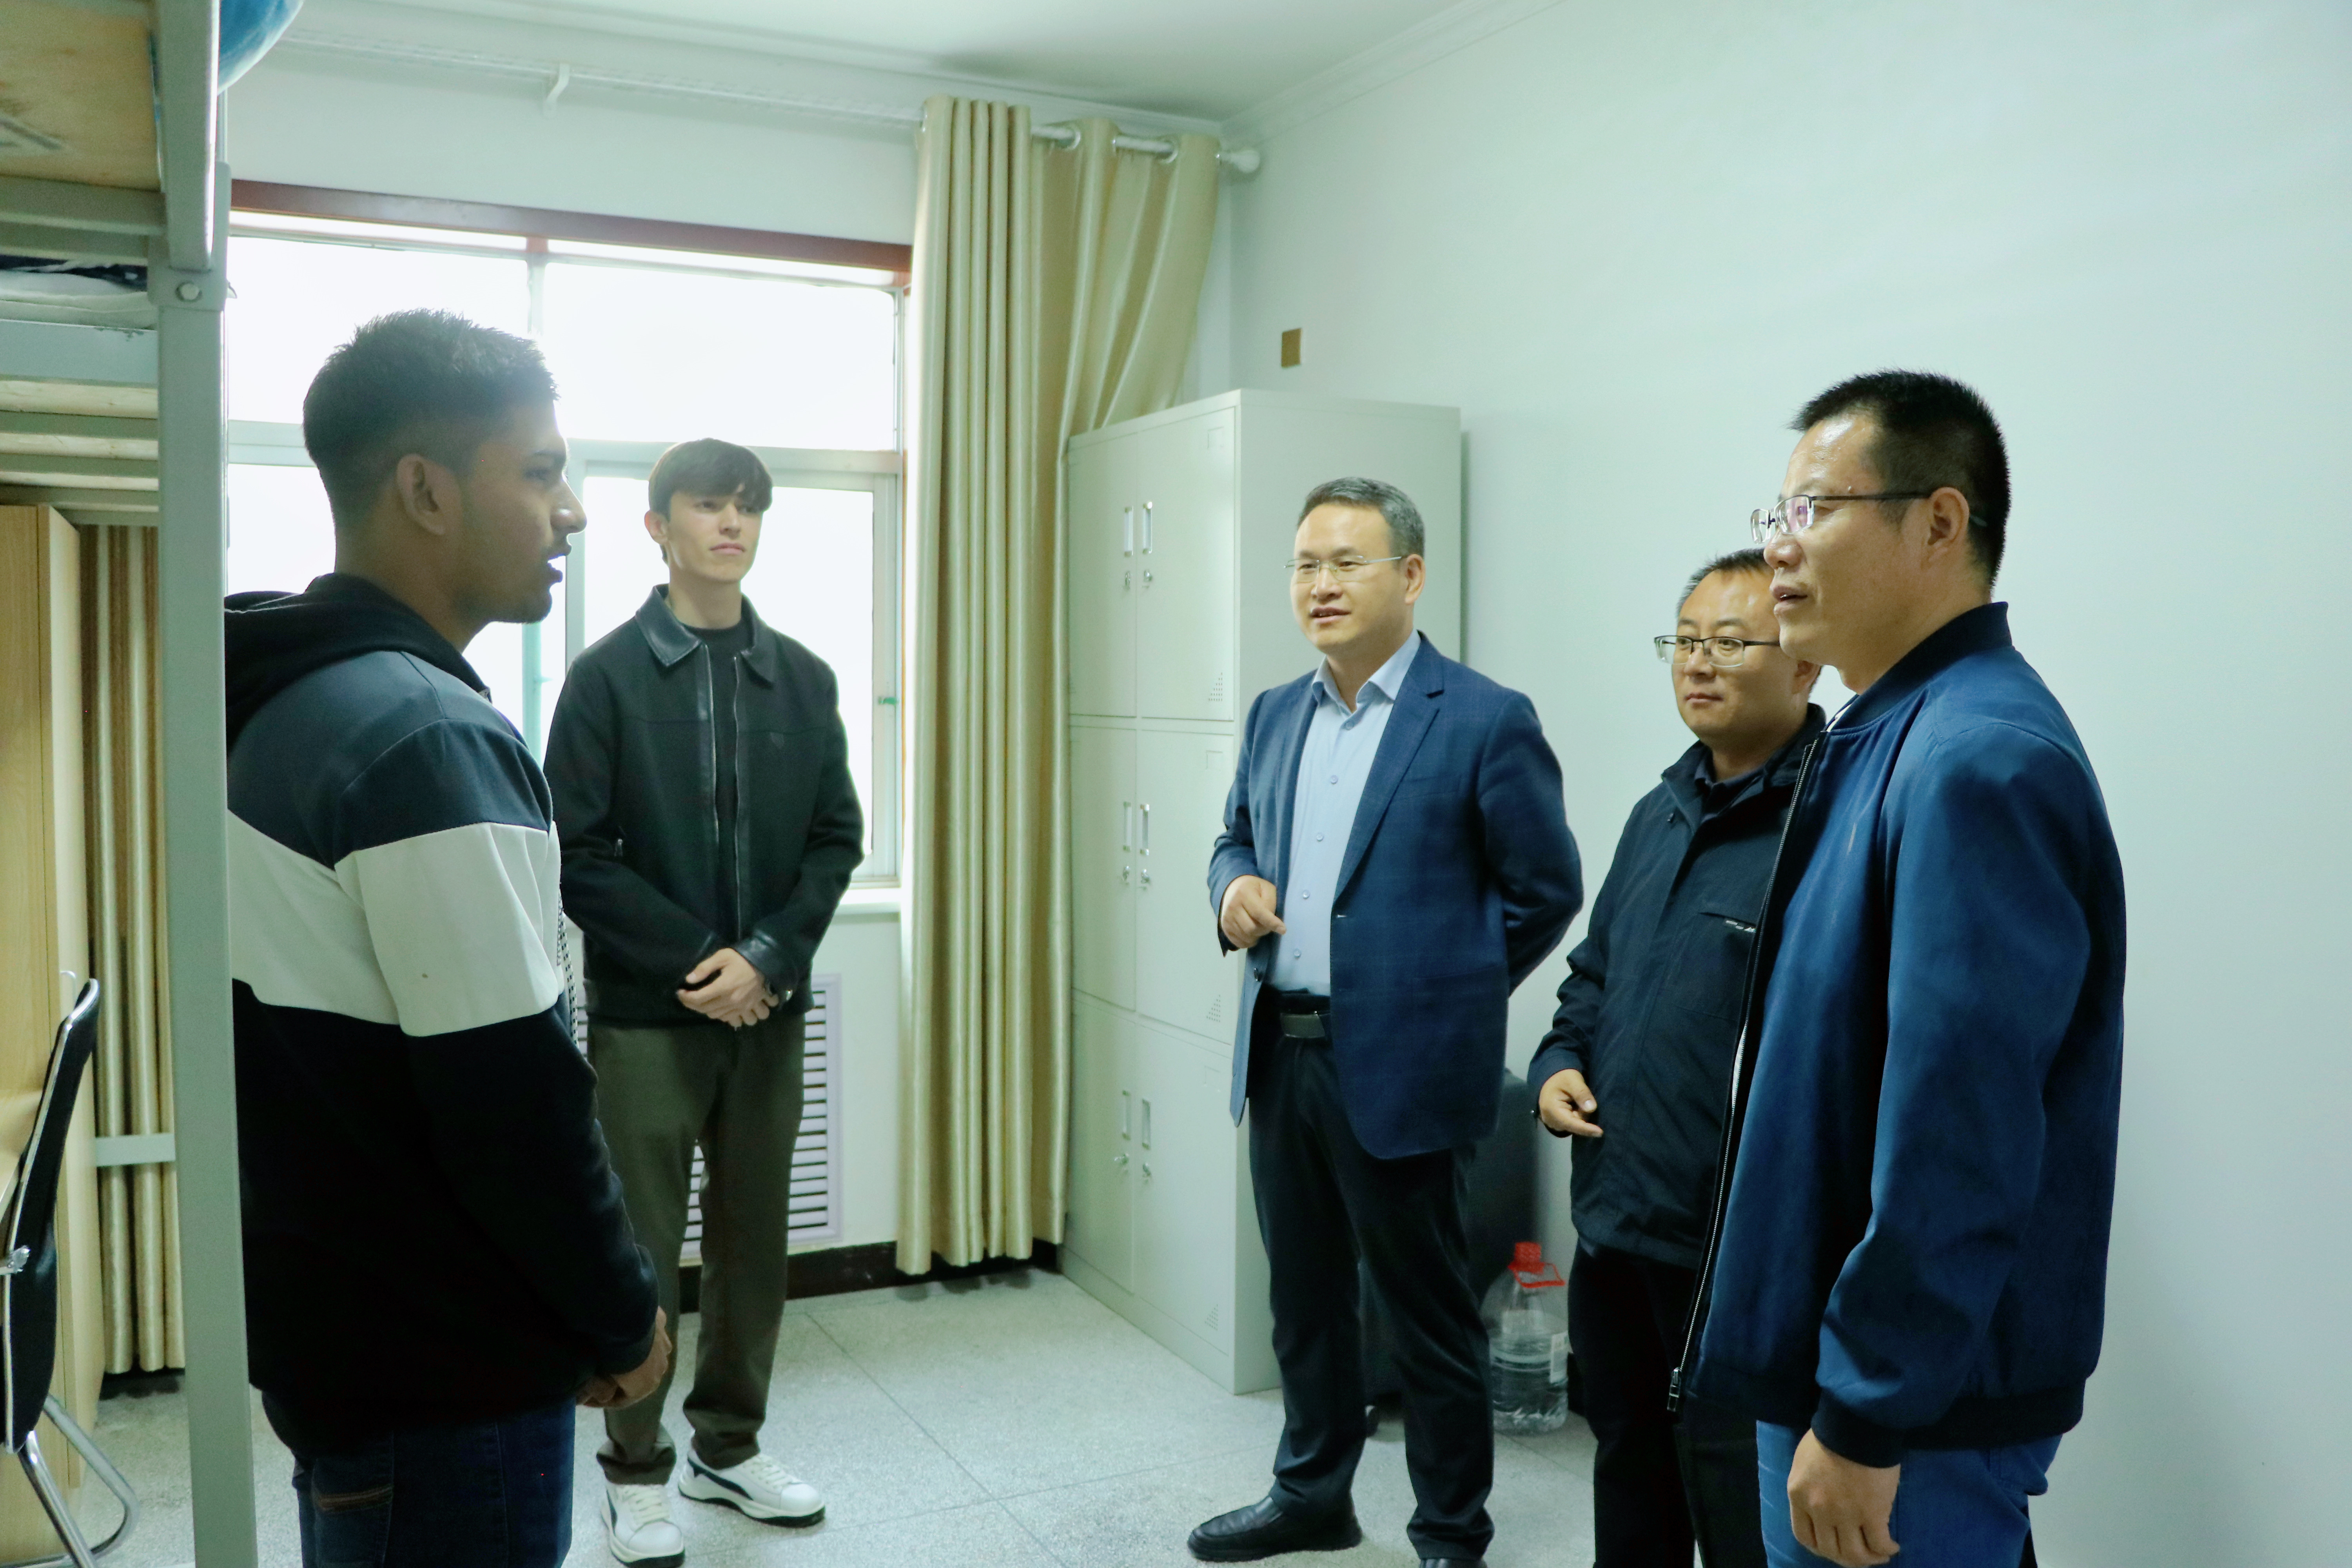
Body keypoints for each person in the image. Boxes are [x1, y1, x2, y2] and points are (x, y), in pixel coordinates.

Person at [225, 309, 668, 1568]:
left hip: (348, 1336)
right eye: (539, 473)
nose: (571, 513)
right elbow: (511, 1096)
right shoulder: (423, 739)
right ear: (424, 490)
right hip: (445, 1370)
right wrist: (622, 1317)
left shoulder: (286, 698)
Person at [1686, 372, 2126, 1568]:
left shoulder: (1979, 759)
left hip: (1904, 1407)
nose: (1778, 549)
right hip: (1846, 1366)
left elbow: (1960, 1128)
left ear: (1939, 522)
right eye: (1775, 515)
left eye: (1813, 511)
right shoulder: (1891, 730)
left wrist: (1867, 1405)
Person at [1193, 477, 1583, 1568]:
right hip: (1282, 1052)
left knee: (1426, 1313)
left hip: (1407, 1066)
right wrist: (1230, 888)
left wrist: (1443, 997)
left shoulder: (1485, 718)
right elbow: (1233, 837)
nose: (1319, 585)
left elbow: (1546, 890)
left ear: (1410, 576)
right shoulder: (1276, 712)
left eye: (1345, 563)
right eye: (1304, 565)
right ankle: (1312, 1494)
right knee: (1305, 1302)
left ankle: (1451, 1529)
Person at [544, 437, 864, 1566]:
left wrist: (767, 959)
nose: (731, 524)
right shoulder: (606, 679)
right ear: (658, 526)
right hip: (649, 1016)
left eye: (748, 507)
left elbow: (835, 840)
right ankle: (633, 1470)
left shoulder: (803, 678)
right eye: (708, 505)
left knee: (752, 1238)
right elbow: (579, 854)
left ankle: (728, 1445)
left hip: (768, 1011)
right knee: (637, 1243)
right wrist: (703, 961)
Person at [1533, 548, 1823, 1568]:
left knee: (1738, 1505)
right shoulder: (1657, 813)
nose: (1698, 663)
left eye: (1730, 644)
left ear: (1804, 664)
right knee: (1630, 1472)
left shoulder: (1827, 828)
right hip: (1616, 1223)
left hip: (1731, 1253)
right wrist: (1557, 1061)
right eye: (1686, 641)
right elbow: (1594, 976)